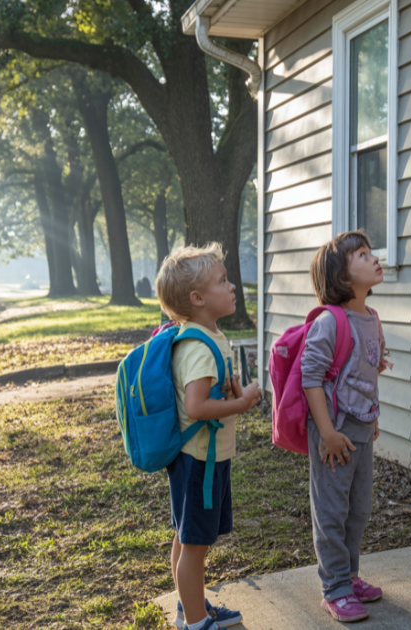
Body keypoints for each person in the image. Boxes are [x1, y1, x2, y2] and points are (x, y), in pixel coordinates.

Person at [156, 243, 261, 630]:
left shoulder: (209, 336)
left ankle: (191, 607)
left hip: (203, 455)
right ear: (198, 298)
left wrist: (237, 392)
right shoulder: (198, 346)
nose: (232, 286)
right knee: (194, 544)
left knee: (188, 539)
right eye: (223, 281)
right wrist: (242, 402)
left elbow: (213, 392)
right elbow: (198, 407)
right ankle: (196, 622)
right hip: (199, 458)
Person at [302, 231, 391, 622]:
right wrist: (326, 432)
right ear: (342, 275)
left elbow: (368, 373)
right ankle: (334, 587)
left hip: (360, 430)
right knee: (331, 510)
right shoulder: (329, 322)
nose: (374, 259)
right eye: (362, 255)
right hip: (332, 433)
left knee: (357, 509)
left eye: (371, 253)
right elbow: (311, 377)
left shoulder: (371, 318)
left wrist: (373, 417)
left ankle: (349, 576)